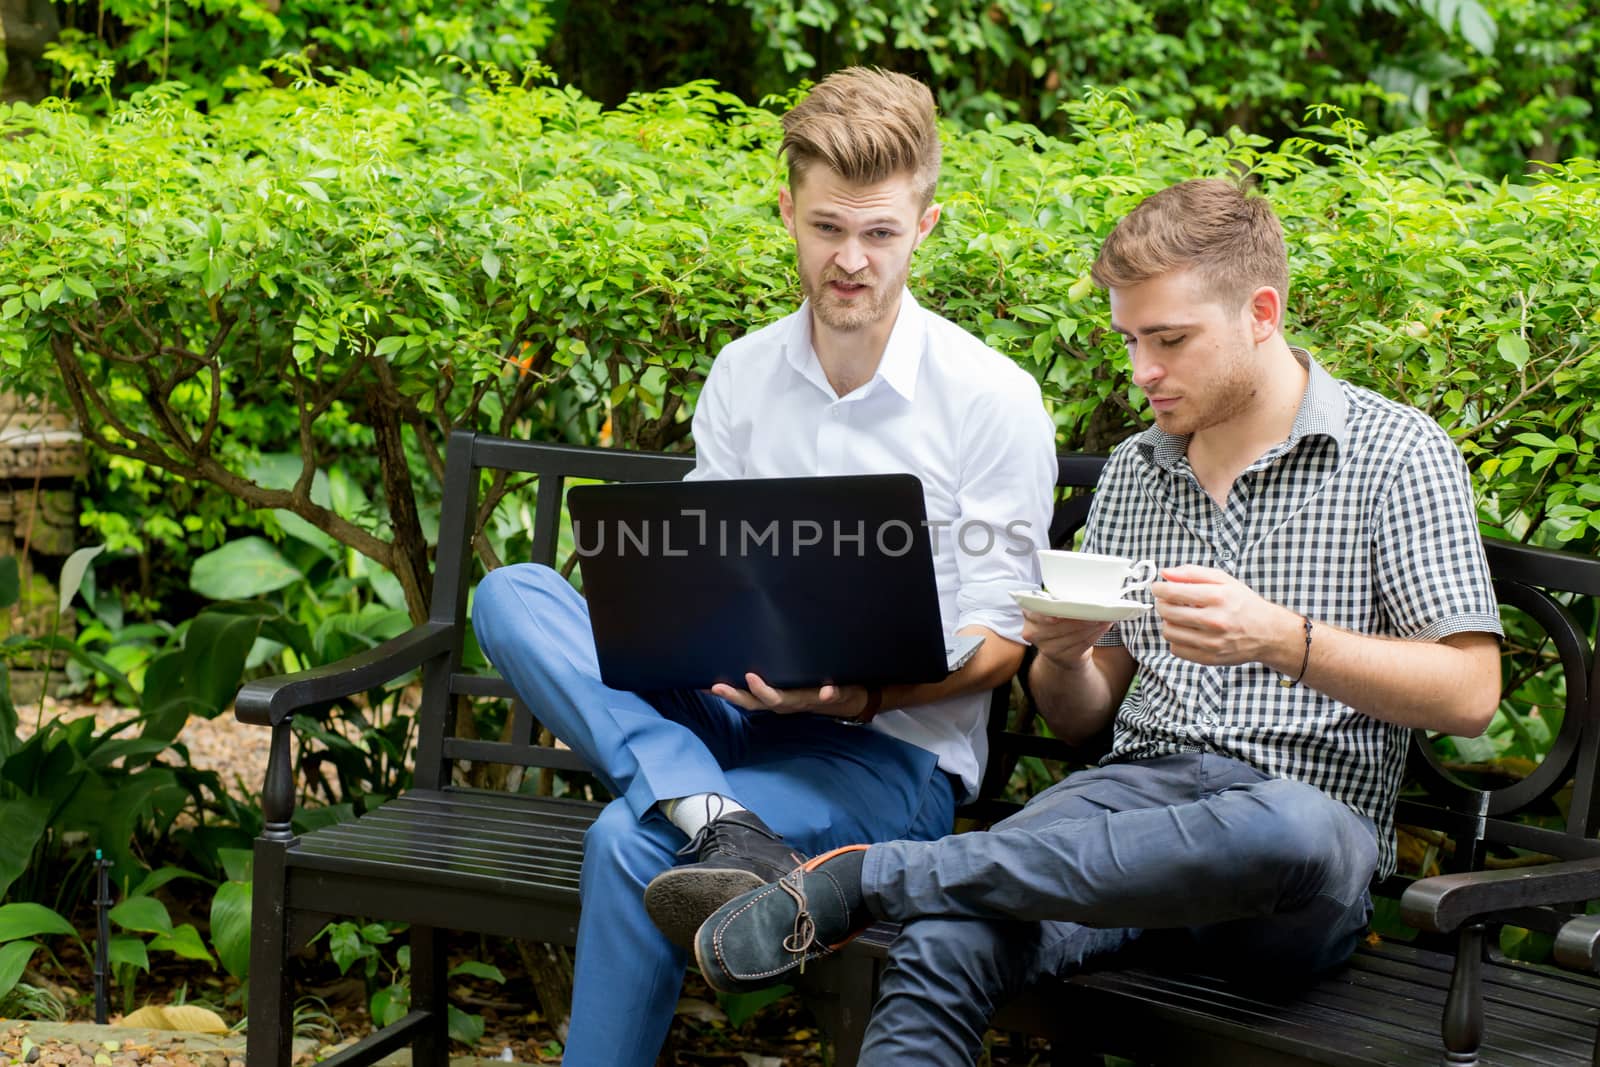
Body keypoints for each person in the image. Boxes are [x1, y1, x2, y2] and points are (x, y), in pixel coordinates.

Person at [690, 178, 1505, 1066]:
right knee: (945, 941)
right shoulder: (1136, 469)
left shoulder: (1394, 453)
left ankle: (871, 875)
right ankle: (895, 885)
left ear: (1261, 312)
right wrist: (1065, 656)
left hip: (1289, 858)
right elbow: (1081, 714)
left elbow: (1469, 692)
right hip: (1126, 812)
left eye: (1170, 340)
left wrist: (1282, 639)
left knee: (1287, 827)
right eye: (1130, 340)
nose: (1142, 371)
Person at [470, 67, 1056, 1067]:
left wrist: (861, 693)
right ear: (787, 212)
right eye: (827, 228)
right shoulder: (744, 372)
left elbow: (1005, 642)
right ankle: (721, 817)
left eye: (879, 232)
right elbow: (699, 567)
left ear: (927, 225)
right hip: (729, 710)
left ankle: (698, 813)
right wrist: (685, 626)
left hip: (886, 755)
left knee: (627, 836)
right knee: (510, 592)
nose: (851, 260)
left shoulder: (991, 400)